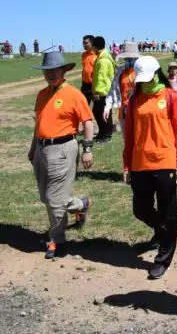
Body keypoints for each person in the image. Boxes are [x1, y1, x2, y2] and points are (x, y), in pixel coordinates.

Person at [122, 56, 177, 280]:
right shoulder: (135, 100)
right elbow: (129, 135)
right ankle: (163, 233)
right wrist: (127, 164)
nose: (143, 83)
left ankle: (163, 259)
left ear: (156, 74)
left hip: (165, 161)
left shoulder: (172, 97)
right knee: (140, 208)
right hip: (140, 161)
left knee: (168, 211)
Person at [28, 52, 94, 259]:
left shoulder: (73, 94)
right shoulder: (42, 94)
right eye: (47, 71)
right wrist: (33, 148)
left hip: (63, 149)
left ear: (63, 71)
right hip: (41, 149)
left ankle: (56, 238)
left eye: (54, 70)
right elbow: (38, 124)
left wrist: (87, 149)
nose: (50, 74)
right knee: (45, 197)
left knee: (54, 199)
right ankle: (81, 204)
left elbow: (88, 122)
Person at [103, 41, 140, 140]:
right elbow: (112, 90)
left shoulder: (142, 72)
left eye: (131, 59)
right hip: (123, 112)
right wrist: (107, 107)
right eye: (126, 58)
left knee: (139, 140)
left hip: (139, 111)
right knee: (127, 141)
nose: (128, 60)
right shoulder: (120, 72)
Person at [91, 36, 116, 143]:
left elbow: (101, 77)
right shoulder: (102, 57)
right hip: (105, 90)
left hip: (104, 91)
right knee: (98, 112)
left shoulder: (103, 60)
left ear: (95, 47)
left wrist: (97, 91)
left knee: (103, 113)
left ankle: (106, 135)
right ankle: (102, 133)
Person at [80, 34, 97, 105]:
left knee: (97, 107)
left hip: (94, 85)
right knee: (83, 106)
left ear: (92, 43)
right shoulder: (84, 55)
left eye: (86, 43)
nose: (84, 45)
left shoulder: (97, 55)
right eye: (83, 43)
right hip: (85, 85)